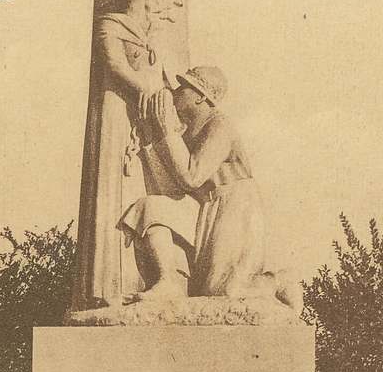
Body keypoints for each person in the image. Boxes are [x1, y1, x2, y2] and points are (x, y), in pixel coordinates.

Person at [118, 66, 302, 309]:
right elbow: (171, 184)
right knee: (151, 206)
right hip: (204, 206)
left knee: (223, 290)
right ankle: (168, 281)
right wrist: (150, 135)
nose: (176, 92)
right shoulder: (186, 129)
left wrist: (165, 130)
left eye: (183, 88)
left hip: (234, 205)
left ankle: (277, 281)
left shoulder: (219, 126)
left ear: (200, 96)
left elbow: (191, 176)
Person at [72, 0, 185, 310]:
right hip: (116, 116)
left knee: (151, 191)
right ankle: (110, 287)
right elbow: (115, 65)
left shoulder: (156, 32)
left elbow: (170, 77)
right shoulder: (110, 23)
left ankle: (159, 277)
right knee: (114, 191)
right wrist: (145, 90)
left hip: (148, 120)